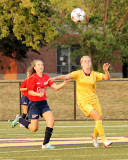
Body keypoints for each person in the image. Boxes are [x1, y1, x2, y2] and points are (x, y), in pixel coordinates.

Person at [48, 56, 112, 148]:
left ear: (90, 63)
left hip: (94, 100)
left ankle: (94, 137)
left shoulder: (94, 74)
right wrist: (54, 78)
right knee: (98, 118)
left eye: (88, 61)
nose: (87, 62)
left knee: (99, 120)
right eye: (85, 61)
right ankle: (104, 140)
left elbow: (106, 78)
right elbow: (65, 76)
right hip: (84, 102)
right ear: (81, 64)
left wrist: (106, 70)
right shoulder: (78, 73)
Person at [12, 59, 69, 149]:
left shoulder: (46, 77)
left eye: (42, 64)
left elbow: (56, 88)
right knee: (34, 128)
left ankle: (45, 144)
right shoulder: (32, 78)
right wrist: (38, 94)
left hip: (43, 103)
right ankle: (20, 119)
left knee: (51, 121)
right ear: (34, 68)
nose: (41, 66)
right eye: (38, 65)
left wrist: (64, 82)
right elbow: (30, 92)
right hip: (34, 104)